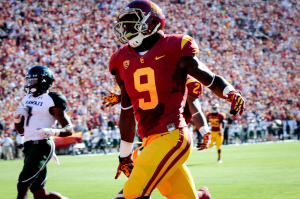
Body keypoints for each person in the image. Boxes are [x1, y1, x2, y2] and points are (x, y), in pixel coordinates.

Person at [106, 0, 245, 198]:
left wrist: (230, 92)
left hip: (173, 136)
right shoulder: (120, 58)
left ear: (152, 23)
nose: (126, 27)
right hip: (150, 140)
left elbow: (209, 78)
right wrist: (124, 155)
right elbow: (127, 112)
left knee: (132, 193)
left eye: (132, 22)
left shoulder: (174, 46)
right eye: (125, 22)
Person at [13, 65, 73, 199]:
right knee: (40, 193)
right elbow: (22, 131)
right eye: (29, 80)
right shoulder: (26, 98)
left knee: (23, 183)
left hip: (42, 144)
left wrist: (51, 131)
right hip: (29, 145)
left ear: (44, 81)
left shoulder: (52, 99)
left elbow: (69, 129)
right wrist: (17, 119)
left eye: (33, 80)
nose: (30, 84)